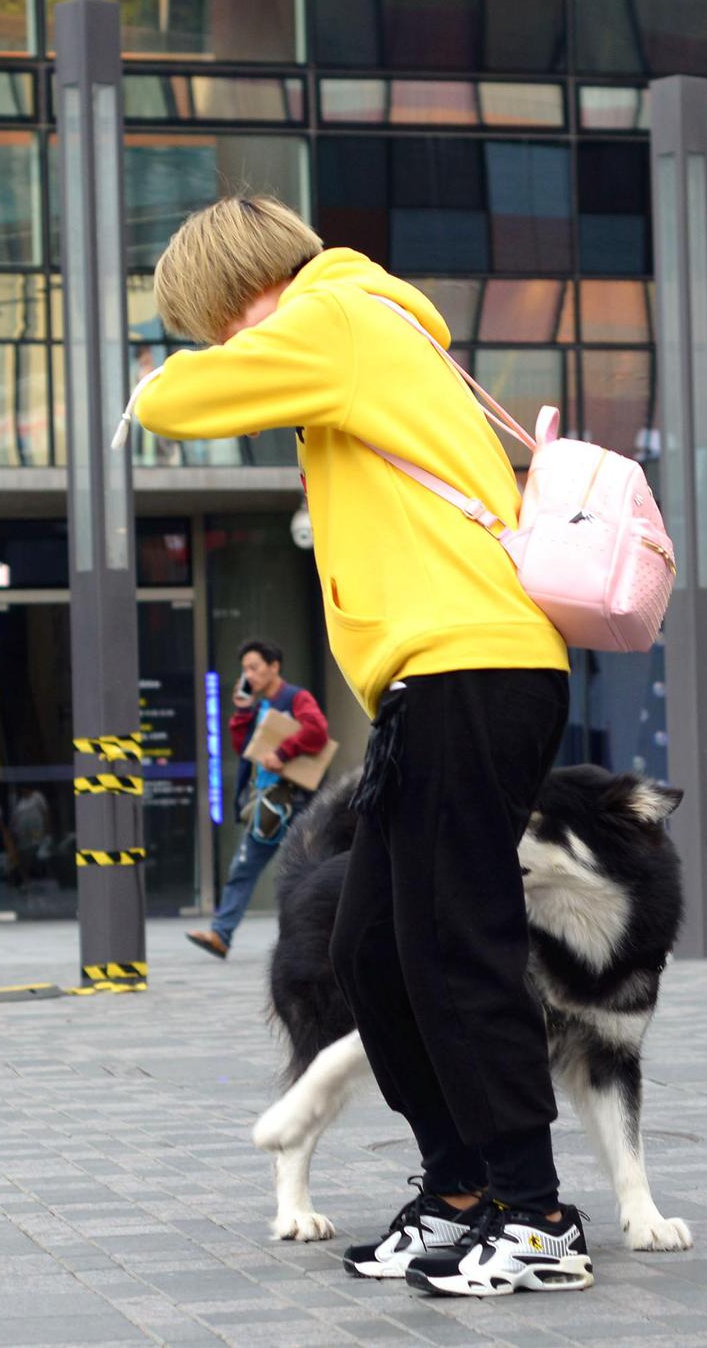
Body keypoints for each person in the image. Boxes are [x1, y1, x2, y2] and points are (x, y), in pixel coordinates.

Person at [129, 196, 591, 1295]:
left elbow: (179, 400)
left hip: (467, 665)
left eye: (215, 324)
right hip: (435, 681)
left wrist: (161, 376)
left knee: (453, 941)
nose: (221, 349)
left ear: (240, 293)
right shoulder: (365, 327)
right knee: (368, 950)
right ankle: (459, 1190)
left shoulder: (335, 317)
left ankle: (534, 1213)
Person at [187, 638, 328, 959]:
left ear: (274, 666)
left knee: (306, 870)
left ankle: (314, 936)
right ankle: (220, 934)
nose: (248, 674)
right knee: (245, 867)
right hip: (267, 802)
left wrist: (283, 751)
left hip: (296, 800)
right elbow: (244, 748)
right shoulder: (257, 705)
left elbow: (317, 730)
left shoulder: (295, 698)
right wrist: (241, 713)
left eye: (254, 667)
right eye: (245, 669)